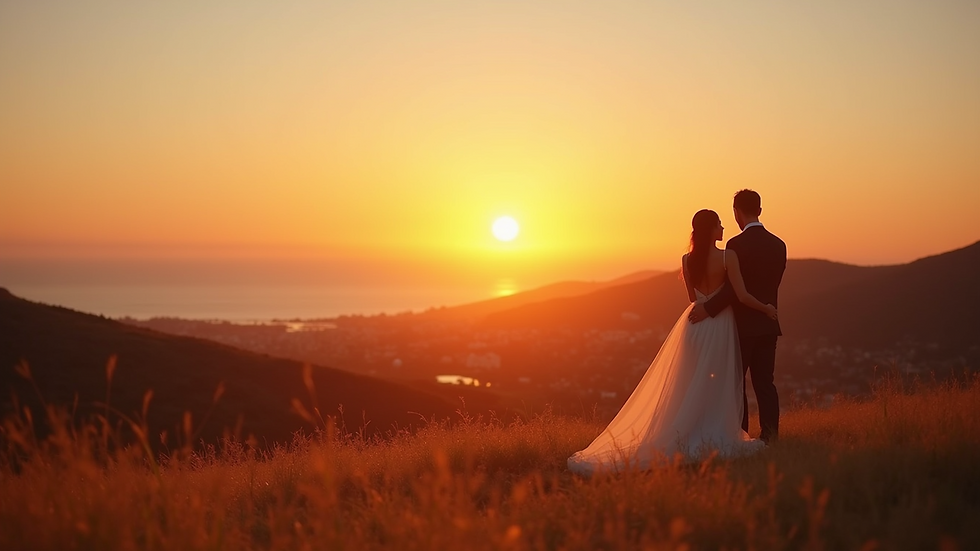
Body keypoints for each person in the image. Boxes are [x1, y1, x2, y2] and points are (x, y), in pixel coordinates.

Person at [567, 208, 774, 475]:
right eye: (719, 225)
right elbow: (741, 295)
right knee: (718, 380)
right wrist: (766, 308)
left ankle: (687, 428)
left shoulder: (687, 260)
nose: (723, 229)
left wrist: (705, 301)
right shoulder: (727, 256)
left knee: (690, 380)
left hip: (694, 325)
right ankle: (713, 430)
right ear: (711, 230)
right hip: (720, 325)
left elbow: (692, 297)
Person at [689, 189, 786, 443]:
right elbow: (772, 285)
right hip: (768, 322)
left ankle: (739, 434)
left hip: (740, 326)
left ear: (736, 212)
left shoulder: (735, 245)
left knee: (736, 384)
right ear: (760, 210)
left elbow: (734, 290)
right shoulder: (779, 244)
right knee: (766, 383)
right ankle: (770, 436)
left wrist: (707, 309)